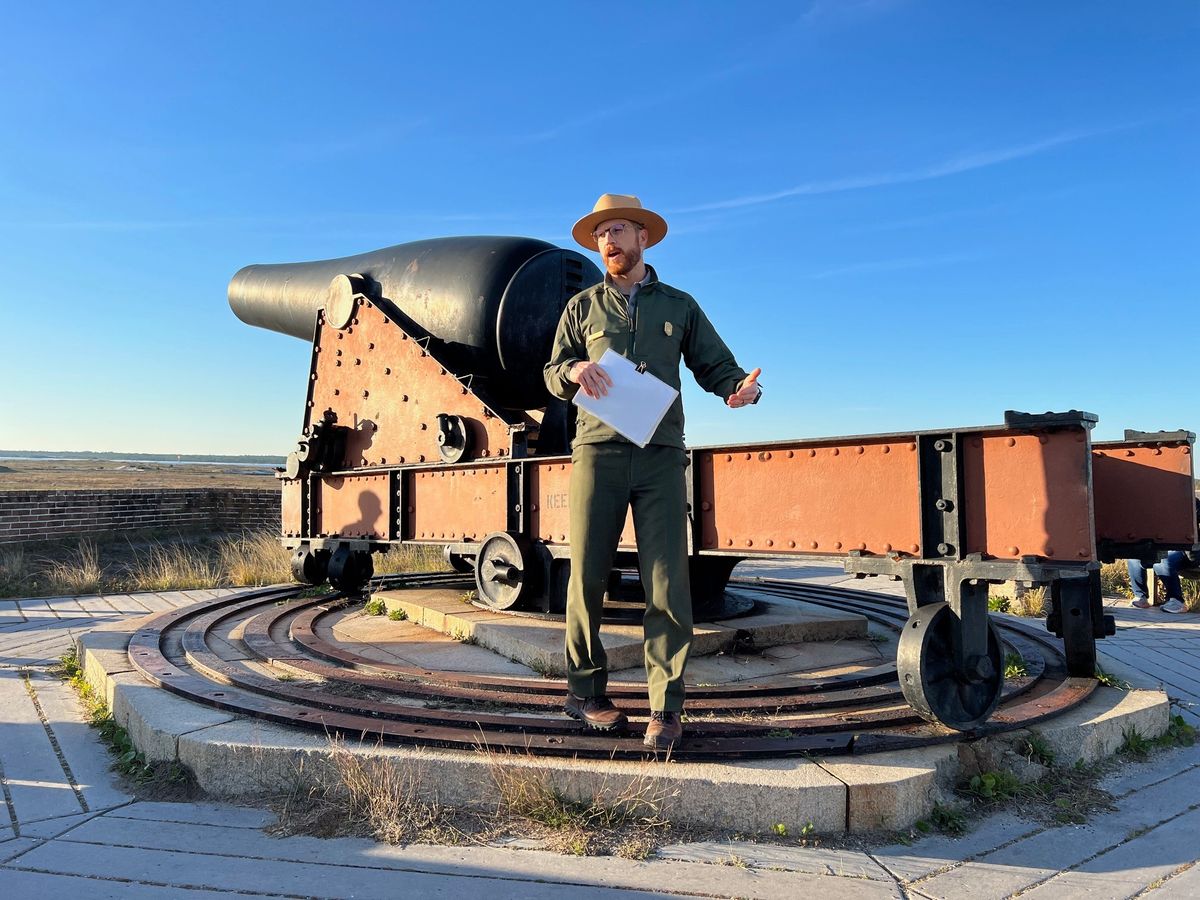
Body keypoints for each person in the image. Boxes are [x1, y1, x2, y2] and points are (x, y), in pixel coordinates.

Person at [543, 193, 761, 750]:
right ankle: (585, 692)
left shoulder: (678, 305)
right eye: (601, 235)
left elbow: (716, 364)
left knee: (667, 582)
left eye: (619, 230)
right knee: (586, 577)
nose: (609, 242)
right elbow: (549, 371)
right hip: (598, 452)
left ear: (643, 237)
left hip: (662, 454)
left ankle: (665, 707)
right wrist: (572, 369)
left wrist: (739, 390)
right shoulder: (582, 307)